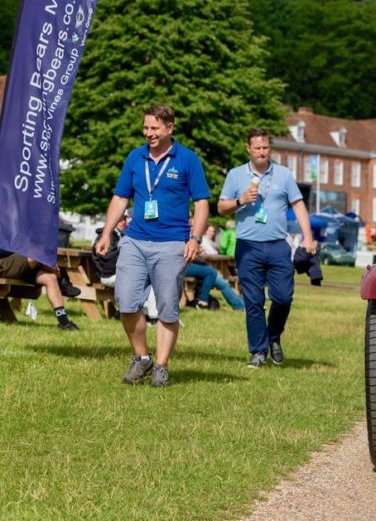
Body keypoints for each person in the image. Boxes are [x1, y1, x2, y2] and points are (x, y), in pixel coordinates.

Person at [95, 104, 211, 387]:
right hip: (135, 239)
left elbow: (202, 202)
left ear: (170, 128)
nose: (149, 133)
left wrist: (194, 239)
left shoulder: (187, 160)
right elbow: (121, 198)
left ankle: (161, 365)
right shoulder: (135, 158)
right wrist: (106, 233)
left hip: (172, 241)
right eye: (146, 128)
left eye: (154, 128)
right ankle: (142, 358)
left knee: (168, 306)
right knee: (125, 300)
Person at [219, 128, 316, 368]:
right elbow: (221, 208)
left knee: (283, 298)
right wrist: (241, 200)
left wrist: (308, 237)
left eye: (265, 148)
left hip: (277, 246)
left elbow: (299, 206)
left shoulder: (283, 175)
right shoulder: (235, 175)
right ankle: (258, 351)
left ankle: (274, 336)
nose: (262, 152)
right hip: (248, 247)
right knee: (253, 301)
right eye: (257, 148)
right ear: (248, 149)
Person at [0, 251, 78, 330]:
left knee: (50, 278)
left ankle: (64, 322)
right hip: (3, 261)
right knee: (34, 256)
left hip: (20, 260)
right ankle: (62, 280)